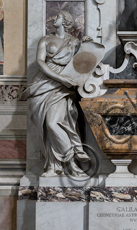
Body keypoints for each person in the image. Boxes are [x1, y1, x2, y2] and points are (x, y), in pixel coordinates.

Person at [22, 11, 92, 177]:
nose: (55, 18)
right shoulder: (45, 39)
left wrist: (87, 45)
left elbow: (83, 63)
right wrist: (59, 77)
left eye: (59, 16)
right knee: (45, 126)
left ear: (66, 21)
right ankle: (53, 166)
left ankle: (72, 163)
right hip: (43, 83)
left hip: (62, 88)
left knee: (55, 123)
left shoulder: (74, 42)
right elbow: (40, 62)